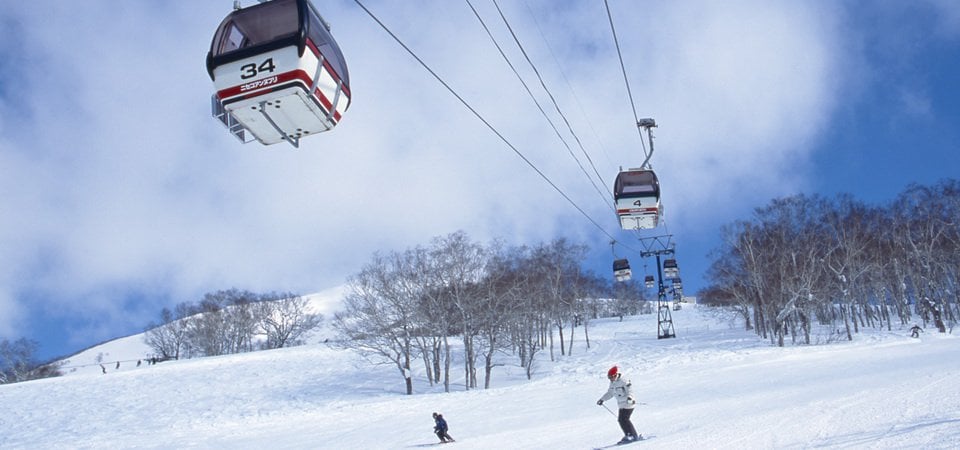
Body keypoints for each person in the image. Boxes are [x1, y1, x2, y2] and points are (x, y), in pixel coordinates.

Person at [597, 366, 640, 444]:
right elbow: (610, 393)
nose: (610, 379)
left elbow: (630, 391)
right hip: (621, 405)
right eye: (609, 377)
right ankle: (631, 435)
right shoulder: (612, 383)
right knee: (622, 420)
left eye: (611, 377)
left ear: (615, 375)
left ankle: (631, 436)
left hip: (628, 403)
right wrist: (602, 399)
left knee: (623, 420)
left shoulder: (624, 380)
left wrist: (630, 398)